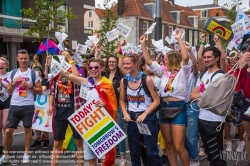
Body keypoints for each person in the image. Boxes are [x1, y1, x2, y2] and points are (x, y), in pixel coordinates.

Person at [141, 30, 191, 166]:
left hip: (179, 108)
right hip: (164, 109)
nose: (164, 61)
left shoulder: (183, 72)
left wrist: (179, 39)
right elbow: (148, 61)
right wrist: (143, 45)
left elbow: (185, 58)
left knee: (179, 146)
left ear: (172, 60)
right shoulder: (163, 73)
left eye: (166, 59)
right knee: (168, 145)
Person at [58, 57, 117, 166]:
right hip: (89, 125)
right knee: (91, 159)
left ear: (102, 68)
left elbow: (114, 104)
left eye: (96, 67)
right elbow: (67, 75)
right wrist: (54, 64)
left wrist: (105, 104)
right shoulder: (86, 82)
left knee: (105, 158)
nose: (93, 69)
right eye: (90, 67)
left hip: (103, 125)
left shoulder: (107, 84)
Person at [119, 52, 162, 166]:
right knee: (134, 153)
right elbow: (122, 100)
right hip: (132, 119)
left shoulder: (146, 79)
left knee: (152, 152)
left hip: (147, 118)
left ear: (136, 63)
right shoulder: (124, 81)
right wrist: (125, 113)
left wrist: (145, 114)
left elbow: (157, 100)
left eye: (128, 63)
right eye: (124, 64)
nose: (126, 66)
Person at [0, 49, 42, 164]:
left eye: (25, 58)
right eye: (21, 58)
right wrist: (13, 83)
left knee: (28, 129)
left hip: (28, 105)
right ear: (17, 59)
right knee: (8, 131)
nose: (23, 60)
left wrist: (29, 86)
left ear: (28, 59)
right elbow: (8, 91)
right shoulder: (13, 73)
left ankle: (26, 153)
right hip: (14, 105)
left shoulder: (33, 73)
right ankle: (6, 154)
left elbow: (39, 91)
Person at [190, 46, 227, 166]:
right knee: (209, 154)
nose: (206, 59)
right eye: (204, 57)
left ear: (216, 58)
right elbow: (192, 95)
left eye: (209, 57)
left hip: (215, 120)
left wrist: (201, 97)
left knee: (216, 155)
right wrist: (203, 97)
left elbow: (215, 99)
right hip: (202, 118)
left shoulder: (219, 76)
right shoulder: (203, 75)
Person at [48, 51, 84, 166]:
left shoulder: (75, 72)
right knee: (57, 143)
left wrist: (70, 58)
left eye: (65, 58)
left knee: (78, 142)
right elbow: (52, 92)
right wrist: (50, 105)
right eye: (62, 58)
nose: (64, 60)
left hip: (75, 112)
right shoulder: (56, 75)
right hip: (60, 113)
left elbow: (77, 78)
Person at [103, 54, 127, 166]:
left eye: (113, 61)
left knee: (119, 132)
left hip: (118, 108)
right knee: (107, 133)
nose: (111, 63)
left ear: (117, 63)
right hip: (105, 108)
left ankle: (123, 157)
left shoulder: (122, 77)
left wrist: (122, 90)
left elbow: (127, 92)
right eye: (109, 62)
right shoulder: (104, 76)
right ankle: (109, 156)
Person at [183, 42, 199, 166]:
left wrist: (190, 51)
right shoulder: (179, 71)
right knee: (182, 137)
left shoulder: (194, 73)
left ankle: (195, 159)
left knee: (191, 136)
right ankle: (188, 158)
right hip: (179, 107)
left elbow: (194, 63)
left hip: (191, 106)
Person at [30, 56, 51, 149]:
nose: (37, 72)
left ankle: (46, 140)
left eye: (38, 71)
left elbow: (42, 90)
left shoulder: (45, 80)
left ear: (41, 72)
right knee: (36, 123)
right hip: (36, 104)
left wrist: (46, 67)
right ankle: (37, 140)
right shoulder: (32, 81)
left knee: (44, 123)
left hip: (45, 105)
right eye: (35, 71)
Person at [0, 57, 11, 156]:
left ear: (6, 66)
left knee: (5, 125)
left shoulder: (10, 75)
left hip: (7, 100)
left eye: (3, 64)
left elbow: (11, 88)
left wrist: (2, 84)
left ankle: (7, 147)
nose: (1, 65)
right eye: (0, 64)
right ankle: (0, 147)